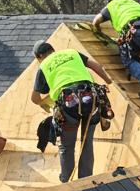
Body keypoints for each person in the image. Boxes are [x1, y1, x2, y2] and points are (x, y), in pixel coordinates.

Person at [30, 41, 114, 183]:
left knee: (67, 145)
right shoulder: (71, 53)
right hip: (91, 98)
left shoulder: (43, 65)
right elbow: (96, 66)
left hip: (69, 104)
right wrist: (108, 80)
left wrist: (47, 100)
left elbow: (35, 98)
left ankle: (66, 180)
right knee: (86, 142)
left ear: (39, 57)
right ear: (54, 50)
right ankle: (85, 181)